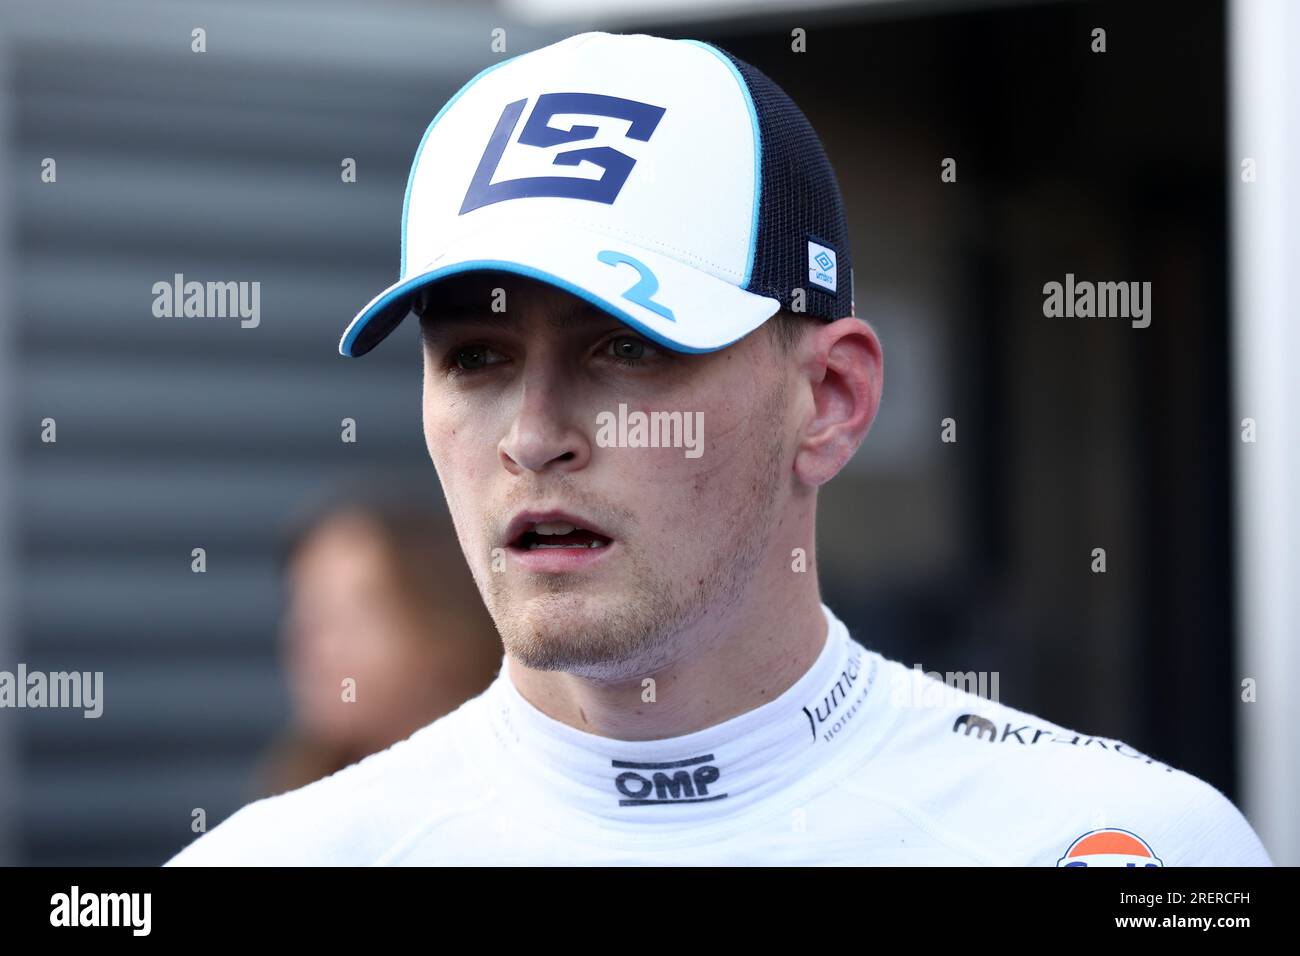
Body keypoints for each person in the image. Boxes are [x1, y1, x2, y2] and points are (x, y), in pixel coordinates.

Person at [167, 31, 1271, 865]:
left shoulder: (1129, 846)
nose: (535, 437)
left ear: (830, 397)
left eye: (626, 348)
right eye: (477, 359)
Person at [252, 488, 502, 797]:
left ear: (445, 631)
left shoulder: (504, 791)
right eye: (305, 613)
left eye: (349, 618)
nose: (311, 645)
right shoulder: (296, 802)